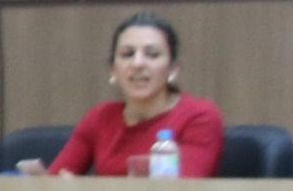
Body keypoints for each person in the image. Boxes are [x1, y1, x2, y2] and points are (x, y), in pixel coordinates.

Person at [26, 13, 223, 177]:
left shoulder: (199, 115)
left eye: (152, 54)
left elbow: (185, 188)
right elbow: (58, 179)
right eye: (128, 54)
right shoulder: (99, 118)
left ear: (173, 69)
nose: (138, 64)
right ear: (113, 70)